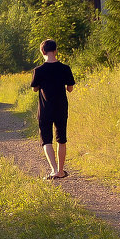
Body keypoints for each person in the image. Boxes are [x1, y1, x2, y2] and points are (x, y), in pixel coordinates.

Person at [29, 38, 75, 179]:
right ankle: (61, 170)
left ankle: (54, 170)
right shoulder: (65, 68)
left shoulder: (38, 70)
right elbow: (70, 88)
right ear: (55, 51)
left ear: (42, 51)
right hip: (61, 107)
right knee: (61, 139)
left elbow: (35, 89)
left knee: (47, 139)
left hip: (45, 109)